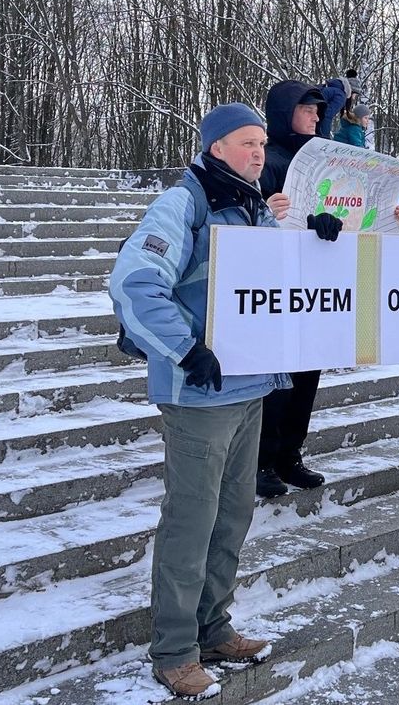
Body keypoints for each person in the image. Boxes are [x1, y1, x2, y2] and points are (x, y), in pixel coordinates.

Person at [109, 103, 289, 697]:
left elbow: (279, 279)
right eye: (246, 143)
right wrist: (186, 350)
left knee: (233, 515)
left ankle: (214, 629)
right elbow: (135, 283)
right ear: (216, 149)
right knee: (192, 520)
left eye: (262, 142)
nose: (259, 152)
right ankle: (175, 649)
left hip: (250, 386)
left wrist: (316, 239)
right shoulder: (183, 203)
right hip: (199, 392)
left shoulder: (253, 207)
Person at [256, 77, 399, 498]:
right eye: (308, 110)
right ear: (286, 113)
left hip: (322, 283)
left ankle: (290, 455)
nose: (318, 116)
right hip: (280, 285)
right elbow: (253, 218)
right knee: (277, 379)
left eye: (320, 110)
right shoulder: (268, 159)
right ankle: (261, 459)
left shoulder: (325, 158)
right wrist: (295, 219)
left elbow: (350, 206)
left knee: (307, 376)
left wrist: (384, 215)